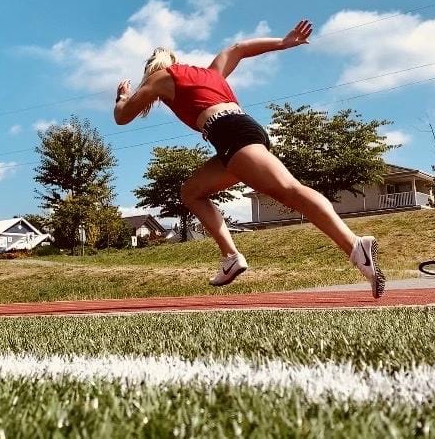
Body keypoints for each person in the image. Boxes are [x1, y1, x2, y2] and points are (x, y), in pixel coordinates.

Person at [113, 20, 385, 298]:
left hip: (231, 133)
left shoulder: (159, 77)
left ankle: (354, 245)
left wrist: (122, 97)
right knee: (191, 191)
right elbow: (238, 49)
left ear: (152, 69)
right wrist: (283, 42)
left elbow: (122, 117)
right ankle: (230, 257)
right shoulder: (210, 73)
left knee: (290, 190)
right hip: (239, 132)